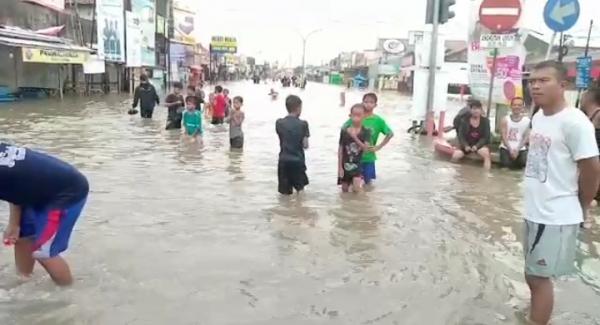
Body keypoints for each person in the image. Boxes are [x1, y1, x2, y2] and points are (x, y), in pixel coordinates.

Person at [524, 60, 600, 325]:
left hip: (555, 214)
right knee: (532, 274)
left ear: (563, 86)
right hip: (535, 209)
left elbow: (592, 169)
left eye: (543, 80)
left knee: (538, 277)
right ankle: (535, 315)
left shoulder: (575, 123)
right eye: (532, 80)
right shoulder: (539, 117)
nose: (535, 85)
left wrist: (583, 205)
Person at [0, 143, 89, 286]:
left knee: (44, 253)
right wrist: (14, 223)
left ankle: (68, 296)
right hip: (37, 191)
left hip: (65, 194)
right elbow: (12, 186)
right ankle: (23, 281)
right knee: (23, 237)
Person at [342, 93, 393, 185]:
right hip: (353, 157)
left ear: (375, 105)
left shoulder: (378, 121)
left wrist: (379, 147)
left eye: (371, 102)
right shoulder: (356, 117)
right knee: (351, 184)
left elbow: (390, 134)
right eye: (366, 102)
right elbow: (344, 129)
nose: (368, 104)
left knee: (367, 184)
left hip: (368, 157)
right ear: (362, 103)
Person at [276, 95, 310, 195]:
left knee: (284, 194)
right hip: (297, 161)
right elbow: (305, 145)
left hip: (283, 160)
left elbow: (281, 137)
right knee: (300, 191)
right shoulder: (303, 124)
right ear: (299, 108)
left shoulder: (279, 123)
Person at [338, 104, 371, 193]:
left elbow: (366, 149)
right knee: (344, 191)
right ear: (350, 116)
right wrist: (339, 168)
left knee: (357, 190)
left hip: (357, 165)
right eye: (354, 115)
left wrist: (354, 137)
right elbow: (340, 149)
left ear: (364, 116)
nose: (356, 118)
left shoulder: (366, 131)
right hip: (345, 165)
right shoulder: (344, 130)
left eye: (359, 115)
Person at [451, 100, 492, 169]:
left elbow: (486, 137)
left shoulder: (485, 121)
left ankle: (486, 175)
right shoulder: (464, 120)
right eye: (474, 109)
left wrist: (477, 146)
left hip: (479, 145)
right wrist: (466, 146)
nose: (476, 111)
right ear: (470, 110)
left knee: (486, 154)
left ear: (481, 110)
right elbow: (461, 136)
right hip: (466, 144)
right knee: (456, 155)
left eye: (478, 109)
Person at [580, 87, 600, 228]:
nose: (581, 99)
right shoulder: (589, 116)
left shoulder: (598, 115)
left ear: (589, 98)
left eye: (583, 96)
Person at [500, 97, 530, 169]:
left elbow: (526, 137)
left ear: (523, 107)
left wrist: (517, 149)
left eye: (519, 105)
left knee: (523, 164)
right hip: (506, 147)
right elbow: (503, 137)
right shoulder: (505, 119)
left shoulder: (527, 121)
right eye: (515, 105)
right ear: (511, 106)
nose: (517, 107)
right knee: (505, 165)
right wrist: (510, 149)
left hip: (521, 148)